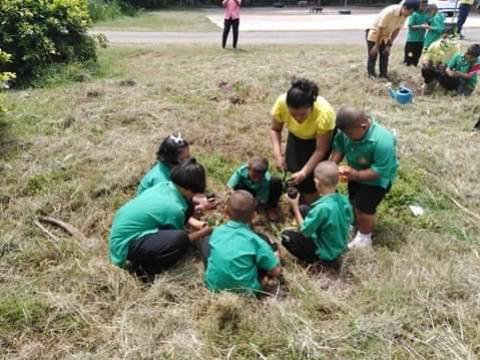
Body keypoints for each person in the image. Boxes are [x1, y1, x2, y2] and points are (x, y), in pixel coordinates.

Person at [109, 158, 212, 278]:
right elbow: (182, 239)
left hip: (122, 228)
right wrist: (204, 232)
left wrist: (194, 210)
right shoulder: (175, 209)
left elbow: (187, 205)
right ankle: (144, 270)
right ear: (188, 188)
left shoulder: (165, 186)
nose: (196, 195)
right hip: (126, 244)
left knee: (188, 206)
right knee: (180, 239)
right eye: (195, 191)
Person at [330, 106, 398, 249]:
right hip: (355, 174)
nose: (347, 136)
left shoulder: (382, 140)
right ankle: (354, 223)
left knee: (364, 208)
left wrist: (357, 175)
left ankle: (364, 239)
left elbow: (380, 170)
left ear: (363, 126)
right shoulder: (346, 132)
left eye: (349, 134)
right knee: (354, 200)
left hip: (377, 180)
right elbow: (339, 147)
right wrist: (332, 165)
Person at [203, 190, 282, 295]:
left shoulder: (217, 231)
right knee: (264, 256)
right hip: (247, 292)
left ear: (226, 211)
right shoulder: (256, 240)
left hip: (213, 287)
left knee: (207, 242)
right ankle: (261, 282)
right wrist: (277, 255)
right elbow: (277, 271)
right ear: (253, 215)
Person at [270, 78, 335, 204]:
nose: (298, 118)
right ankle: (300, 204)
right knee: (294, 171)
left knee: (310, 181)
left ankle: (313, 210)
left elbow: (320, 149)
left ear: (312, 106)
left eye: (303, 114)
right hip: (296, 136)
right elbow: (275, 129)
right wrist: (278, 155)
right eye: (293, 114)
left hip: (317, 141)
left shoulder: (324, 113)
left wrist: (304, 172)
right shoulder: (281, 103)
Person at [282, 161, 353, 273]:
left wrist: (294, 206)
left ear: (317, 182)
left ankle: (318, 262)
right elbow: (350, 219)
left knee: (286, 237)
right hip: (338, 245)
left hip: (325, 252)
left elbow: (305, 231)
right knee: (304, 209)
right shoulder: (344, 200)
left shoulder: (321, 208)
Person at [366, 0, 420, 79]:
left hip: (386, 35)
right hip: (375, 33)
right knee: (373, 54)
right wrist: (376, 46)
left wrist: (389, 45)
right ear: (405, 7)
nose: (410, 15)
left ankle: (383, 75)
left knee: (385, 54)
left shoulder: (404, 15)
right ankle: (371, 75)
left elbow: (397, 30)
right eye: (410, 12)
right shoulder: (390, 12)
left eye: (412, 13)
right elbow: (380, 29)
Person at [227, 156, 283, 221]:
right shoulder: (241, 171)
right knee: (238, 186)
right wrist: (236, 197)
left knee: (276, 181)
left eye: (259, 177)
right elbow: (230, 186)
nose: (256, 179)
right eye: (254, 176)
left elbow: (262, 199)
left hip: (258, 192)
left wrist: (253, 204)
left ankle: (270, 207)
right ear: (248, 169)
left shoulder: (266, 180)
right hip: (245, 189)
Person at [421, 29, 460, 95]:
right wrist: (426, 62)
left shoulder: (455, 47)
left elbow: (452, 63)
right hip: (436, 67)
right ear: (441, 36)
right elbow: (427, 56)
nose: (446, 40)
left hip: (447, 70)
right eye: (444, 37)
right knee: (425, 69)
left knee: (444, 71)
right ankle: (429, 82)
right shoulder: (434, 44)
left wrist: (444, 65)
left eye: (449, 38)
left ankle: (443, 86)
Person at [404, 0, 430, 67]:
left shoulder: (426, 15)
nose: (424, 7)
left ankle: (414, 65)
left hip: (421, 40)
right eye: (422, 5)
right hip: (412, 40)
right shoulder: (414, 14)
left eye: (425, 5)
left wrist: (427, 25)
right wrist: (421, 26)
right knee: (409, 57)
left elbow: (429, 23)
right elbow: (410, 27)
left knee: (417, 55)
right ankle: (408, 65)